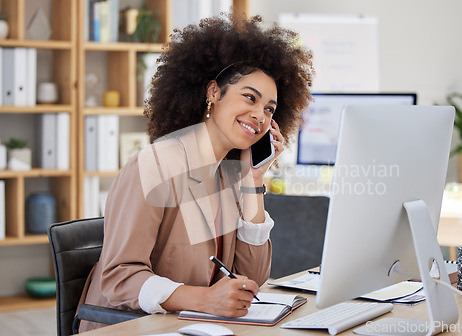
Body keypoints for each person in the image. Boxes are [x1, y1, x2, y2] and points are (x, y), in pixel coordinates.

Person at [79, 13, 313, 332]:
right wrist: (203, 300)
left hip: (194, 326)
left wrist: (253, 183)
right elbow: (120, 278)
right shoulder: (155, 165)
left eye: (270, 109)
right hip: (130, 326)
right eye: (250, 97)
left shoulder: (231, 174)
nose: (260, 115)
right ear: (213, 92)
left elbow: (252, 280)